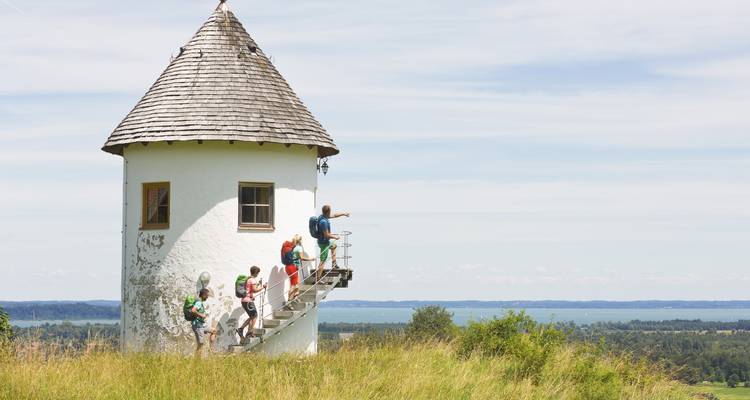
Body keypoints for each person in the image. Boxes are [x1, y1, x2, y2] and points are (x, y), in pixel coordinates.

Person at [316, 205, 350, 281]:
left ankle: (334, 264)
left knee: (334, 246)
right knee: (323, 260)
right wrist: (335, 237)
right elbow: (326, 235)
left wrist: (344, 214)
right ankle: (318, 278)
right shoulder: (323, 222)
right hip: (323, 243)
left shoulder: (323, 216)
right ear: (328, 211)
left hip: (325, 241)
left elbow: (334, 215)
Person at [236, 266, 266, 340]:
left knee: (252, 317)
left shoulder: (248, 279)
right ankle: (248, 331)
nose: (258, 274)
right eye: (258, 273)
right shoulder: (252, 280)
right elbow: (255, 290)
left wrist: (257, 285)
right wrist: (263, 287)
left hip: (244, 300)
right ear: (256, 272)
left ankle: (245, 330)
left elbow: (249, 290)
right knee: (255, 316)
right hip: (248, 301)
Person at [286, 234, 316, 304]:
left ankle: (295, 296)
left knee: (295, 283)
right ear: (300, 241)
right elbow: (302, 258)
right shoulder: (299, 248)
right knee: (293, 284)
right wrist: (310, 259)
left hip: (288, 266)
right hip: (294, 266)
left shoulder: (291, 247)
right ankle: (289, 301)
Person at [191, 288, 216, 357]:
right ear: (203, 295)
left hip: (202, 325)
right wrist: (201, 315)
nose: (207, 297)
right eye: (207, 295)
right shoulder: (198, 302)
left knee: (214, 331)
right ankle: (197, 361)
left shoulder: (200, 302)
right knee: (201, 343)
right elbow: (193, 310)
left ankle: (211, 351)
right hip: (198, 326)